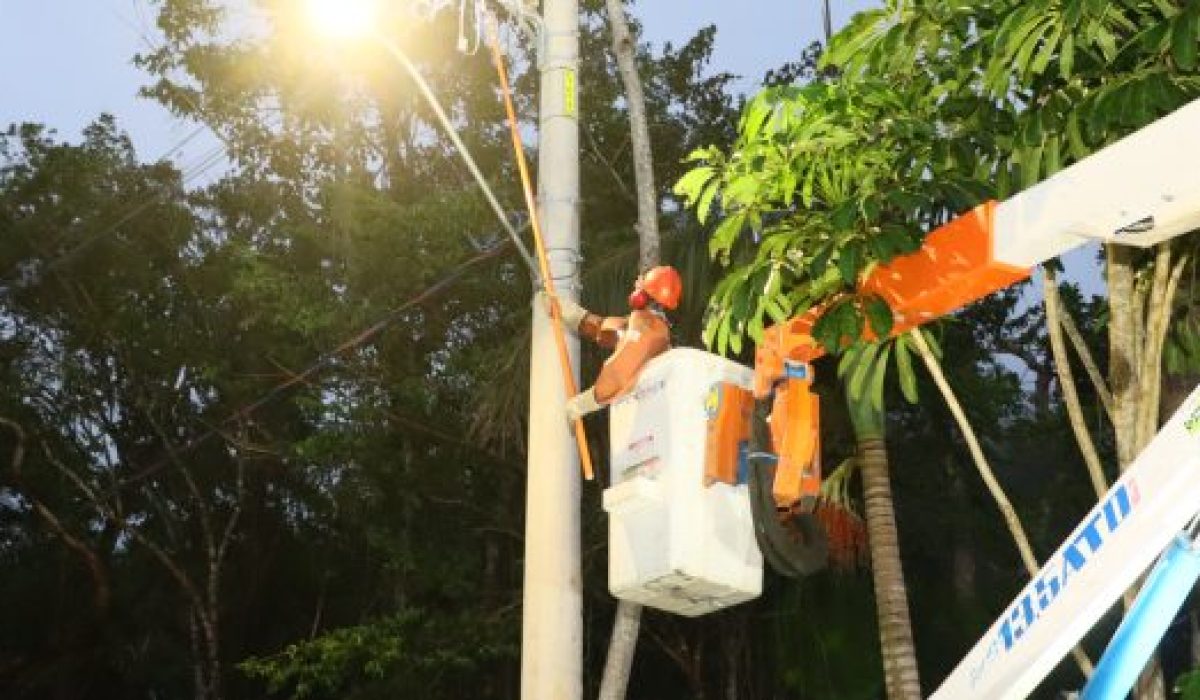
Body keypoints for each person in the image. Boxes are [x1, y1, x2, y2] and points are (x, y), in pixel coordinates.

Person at [540, 266, 682, 423]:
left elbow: (620, 371)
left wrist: (585, 402)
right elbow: (602, 329)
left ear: (647, 292)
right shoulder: (647, 325)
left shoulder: (649, 329)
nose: (635, 284)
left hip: (646, 426)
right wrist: (565, 311)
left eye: (639, 282)